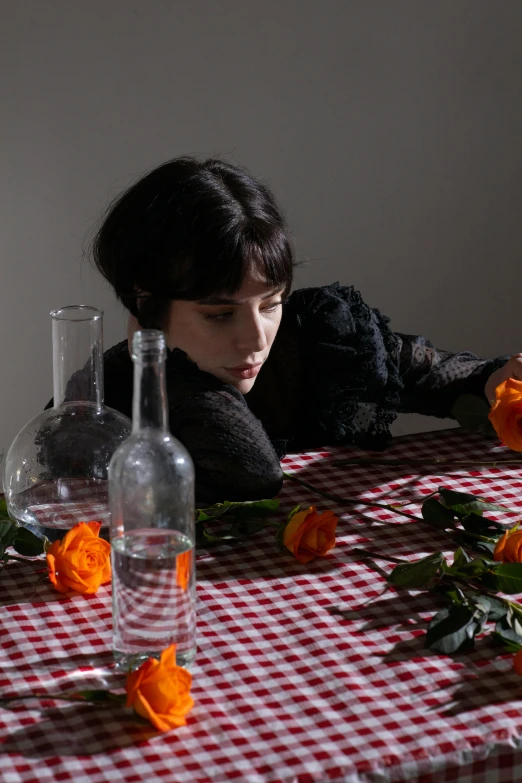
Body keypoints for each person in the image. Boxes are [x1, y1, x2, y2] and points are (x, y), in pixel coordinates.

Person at [91, 156, 517, 504]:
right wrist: (162, 367)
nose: (257, 340)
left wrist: (500, 382)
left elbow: (449, 378)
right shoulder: (101, 401)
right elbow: (250, 474)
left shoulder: (320, 338)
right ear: (146, 301)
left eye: (272, 303)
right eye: (220, 314)